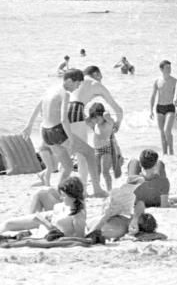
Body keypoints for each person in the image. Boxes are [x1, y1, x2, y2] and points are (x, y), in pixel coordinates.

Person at [21, 70, 85, 188]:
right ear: (69, 81)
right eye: (77, 84)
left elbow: (38, 106)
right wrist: (71, 138)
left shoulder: (50, 90)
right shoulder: (65, 94)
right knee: (83, 153)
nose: (77, 88)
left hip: (45, 132)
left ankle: (54, 183)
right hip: (57, 131)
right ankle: (62, 189)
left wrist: (29, 125)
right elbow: (63, 120)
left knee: (67, 165)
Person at [68, 66, 124, 195]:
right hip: (76, 110)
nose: (102, 79)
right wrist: (117, 124)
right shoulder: (95, 83)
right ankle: (85, 190)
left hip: (66, 110)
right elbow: (118, 109)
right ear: (96, 74)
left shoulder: (79, 81)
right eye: (101, 76)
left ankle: (80, 188)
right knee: (83, 155)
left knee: (75, 151)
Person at [0, 177, 87, 239]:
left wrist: (45, 223)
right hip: (47, 217)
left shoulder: (78, 214)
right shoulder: (66, 205)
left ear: (73, 196)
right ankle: (29, 230)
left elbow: (79, 238)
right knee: (8, 223)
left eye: (64, 196)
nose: (61, 198)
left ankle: (29, 230)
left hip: (46, 224)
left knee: (8, 224)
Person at [149, 60, 177, 155]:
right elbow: (153, 96)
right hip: (159, 108)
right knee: (162, 132)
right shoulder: (157, 81)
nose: (169, 69)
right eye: (167, 67)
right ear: (161, 69)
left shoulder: (174, 81)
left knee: (167, 130)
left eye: (170, 67)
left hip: (170, 107)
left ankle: (171, 150)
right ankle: (165, 153)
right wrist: (151, 110)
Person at [85, 104, 115, 194]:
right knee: (96, 171)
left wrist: (105, 114)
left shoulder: (108, 123)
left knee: (105, 171)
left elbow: (110, 118)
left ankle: (109, 190)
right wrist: (91, 116)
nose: (96, 120)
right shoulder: (95, 125)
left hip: (107, 149)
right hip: (97, 150)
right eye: (94, 118)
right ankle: (97, 189)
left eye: (97, 118)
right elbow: (86, 120)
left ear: (102, 115)